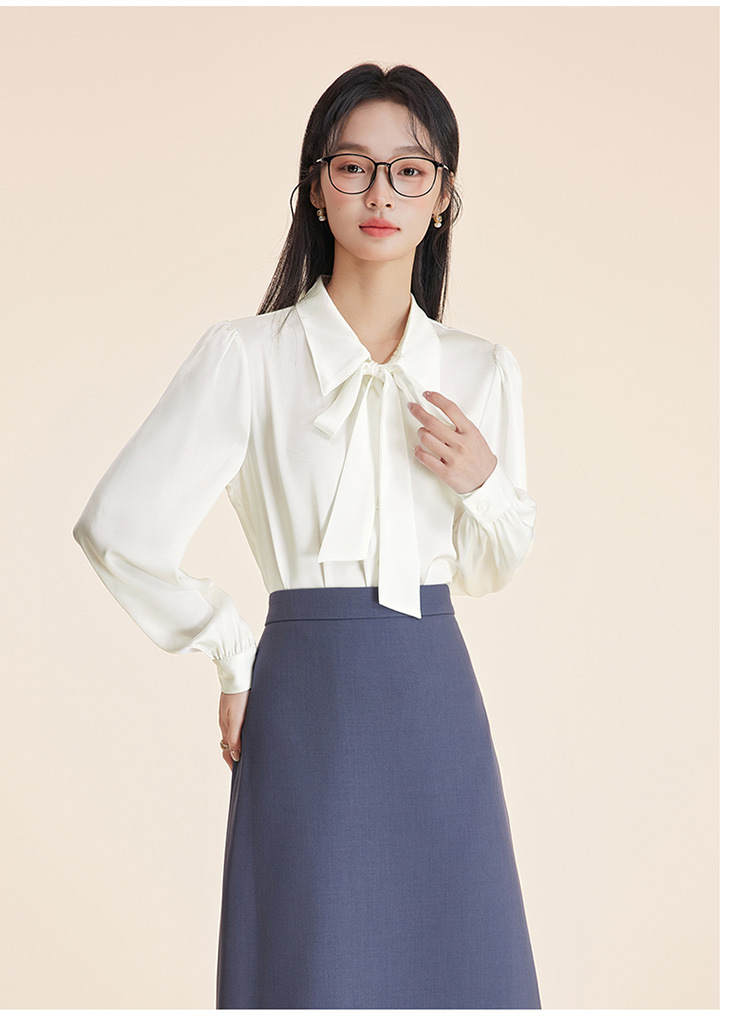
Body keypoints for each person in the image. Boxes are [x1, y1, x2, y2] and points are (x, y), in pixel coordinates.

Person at [72, 62, 541, 1009]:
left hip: (435, 697)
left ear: (443, 197)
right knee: (308, 964)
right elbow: (117, 527)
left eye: (410, 171)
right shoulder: (247, 358)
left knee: (462, 968)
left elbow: (492, 569)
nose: (381, 194)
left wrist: (484, 483)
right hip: (306, 703)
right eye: (353, 167)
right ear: (316, 188)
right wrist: (228, 651)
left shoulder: (481, 369)